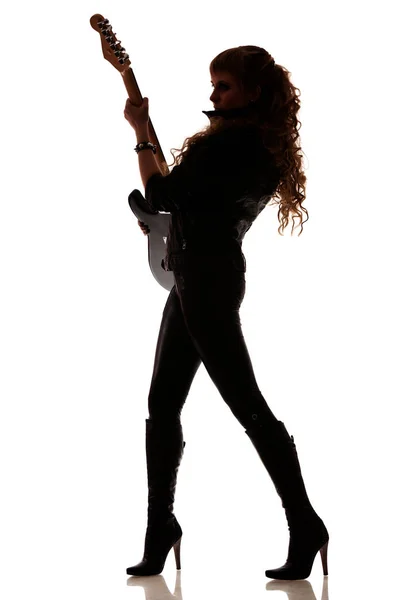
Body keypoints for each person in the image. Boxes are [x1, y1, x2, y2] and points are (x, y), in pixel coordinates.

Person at [124, 46, 329, 581]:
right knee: (162, 403)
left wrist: (142, 130)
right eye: (213, 87)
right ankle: (159, 527)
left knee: (248, 406)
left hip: (207, 286)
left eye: (224, 88)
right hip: (195, 279)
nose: (213, 97)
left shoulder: (236, 144)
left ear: (253, 93)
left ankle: (305, 524)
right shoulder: (251, 145)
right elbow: (185, 204)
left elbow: (162, 191)